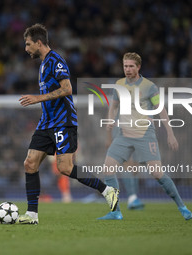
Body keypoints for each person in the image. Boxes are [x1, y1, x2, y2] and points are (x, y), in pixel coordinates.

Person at [18, 24, 119, 224]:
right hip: (46, 123)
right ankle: (31, 215)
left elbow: (67, 88)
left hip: (63, 122)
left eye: (28, 44)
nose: (26, 48)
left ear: (39, 43)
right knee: (30, 164)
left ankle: (107, 190)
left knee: (65, 167)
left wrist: (38, 98)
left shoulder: (56, 60)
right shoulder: (43, 64)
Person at [98, 52, 192, 220]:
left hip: (144, 134)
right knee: (107, 170)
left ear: (138, 67)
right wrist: (109, 124)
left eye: (131, 66)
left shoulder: (149, 86)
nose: (127, 69)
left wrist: (170, 134)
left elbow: (161, 110)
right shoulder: (119, 84)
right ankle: (115, 211)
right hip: (123, 135)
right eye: (125, 66)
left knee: (157, 173)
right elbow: (113, 107)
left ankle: (183, 207)